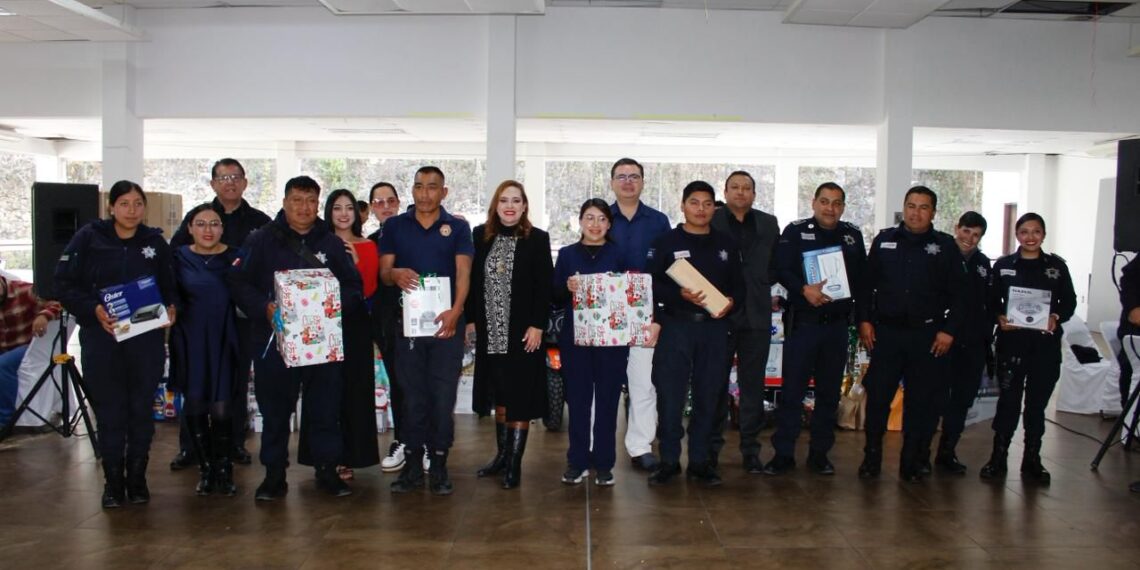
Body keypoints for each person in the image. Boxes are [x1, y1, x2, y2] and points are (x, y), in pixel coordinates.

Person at [227, 175, 364, 500]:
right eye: (297, 200)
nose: (304, 208)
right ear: (285, 202)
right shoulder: (260, 240)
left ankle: (327, 470)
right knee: (274, 412)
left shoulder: (331, 243)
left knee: (325, 409)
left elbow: (354, 287)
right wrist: (265, 307)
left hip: (322, 342)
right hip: (275, 342)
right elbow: (237, 281)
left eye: (311, 201)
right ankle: (274, 475)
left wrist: (329, 302)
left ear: (319, 205)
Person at [54, 180, 179, 508]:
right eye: (125, 203)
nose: (132, 210)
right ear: (111, 207)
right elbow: (64, 284)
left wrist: (171, 307)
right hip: (101, 338)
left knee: (140, 409)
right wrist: (93, 309)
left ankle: (137, 477)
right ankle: (113, 481)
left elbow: (170, 285)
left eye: (138, 203)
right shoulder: (89, 238)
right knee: (111, 411)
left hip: (145, 340)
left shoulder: (154, 242)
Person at [855, 186, 966, 482]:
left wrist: (948, 331)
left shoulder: (945, 246)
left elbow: (960, 296)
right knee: (878, 399)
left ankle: (912, 461)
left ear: (934, 212)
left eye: (923, 207)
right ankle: (871, 458)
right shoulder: (884, 240)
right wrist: (864, 321)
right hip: (887, 335)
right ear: (903, 208)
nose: (916, 212)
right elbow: (866, 286)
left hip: (928, 337)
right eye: (911, 206)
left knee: (922, 403)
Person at [170, 158, 271, 469]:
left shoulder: (259, 221)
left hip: (239, 320)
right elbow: (172, 264)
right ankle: (191, 448)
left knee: (235, 383)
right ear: (213, 183)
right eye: (223, 177)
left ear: (245, 182)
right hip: (195, 322)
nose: (230, 182)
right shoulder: (197, 216)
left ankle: (234, 445)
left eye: (235, 177)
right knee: (195, 386)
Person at [379, 166, 473, 496]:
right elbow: (383, 272)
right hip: (408, 326)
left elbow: (463, 273)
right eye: (418, 187)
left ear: (443, 192)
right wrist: (396, 274)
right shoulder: (394, 226)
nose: (424, 193)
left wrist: (457, 311)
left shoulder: (458, 227)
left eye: (432, 187)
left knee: (442, 396)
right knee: (411, 396)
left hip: (447, 324)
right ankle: (414, 467)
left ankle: (440, 463)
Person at [765, 182, 866, 476]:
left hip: (835, 328)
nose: (830, 208)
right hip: (803, 325)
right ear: (814, 202)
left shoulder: (852, 236)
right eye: (824, 201)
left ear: (843, 207)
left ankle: (820, 454)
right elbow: (781, 268)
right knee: (792, 393)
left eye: (836, 203)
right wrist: (802, 289)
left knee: (828, 394)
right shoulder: (796, 232)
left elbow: (861, 279)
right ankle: (783, 453)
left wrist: (861, 317)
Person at [646, 181, 741, 487]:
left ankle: (700, 462)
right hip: (676, 326)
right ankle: (669, 461)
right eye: (694, 203)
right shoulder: (665, 241)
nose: (701, 209)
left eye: (707, 203)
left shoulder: (726, 243)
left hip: (714, 329)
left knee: (708, 397)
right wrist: (678, 295)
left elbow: (740, 285)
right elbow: (652, 283)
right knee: (670, 397)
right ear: (683, 205)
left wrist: (731, 302)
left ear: (715, 207)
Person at [466, 180, 553, 489]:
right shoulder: (480, 237)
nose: (510, 205)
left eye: (516, 200)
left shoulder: (537, 239)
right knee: (499, 394)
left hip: (523, 334)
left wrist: (537, 325)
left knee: (519, 397)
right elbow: (473, 283)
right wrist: (470, 320)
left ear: (525, 205)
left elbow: (545, 288)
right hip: (491, 332)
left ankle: (514, 465)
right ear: (496, 205)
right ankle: (501, 457)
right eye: (504, 200)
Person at [980, 213, 1076, 484]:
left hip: (1045, 346)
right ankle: (998, 457)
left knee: (1036, 406)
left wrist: (1055, 317)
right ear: (1016, 234)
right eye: (1024, 231)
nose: (1030, 237)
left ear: (1043, 235)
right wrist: (1000, 317)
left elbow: (1068, 302)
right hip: (1012, 344)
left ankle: (1032, 459)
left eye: (1036, 232)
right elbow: (990, 301)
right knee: (1009, 402)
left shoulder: (1056, 266)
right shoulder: (1004, 265)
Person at [295, 189, 381, 479]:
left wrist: (353, 266)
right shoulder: (316, 244)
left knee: (353, 391)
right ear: (328, 212)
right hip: (321, 324)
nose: (343, 213)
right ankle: (322, 457)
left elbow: (369, 290)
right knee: (321, 392)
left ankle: (350, 455)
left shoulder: (369, 246)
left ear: (357, 214)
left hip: (356, 326)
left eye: (349, 208)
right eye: (337, 208)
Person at [552, 198, 631, 486]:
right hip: (576, 338)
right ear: (580, 221)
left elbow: (631, 295)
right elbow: (555, 295)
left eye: (601, 219)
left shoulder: (619, 254)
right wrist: (566, 287)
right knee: (579, 400)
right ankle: (577, 461)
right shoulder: (567, 254)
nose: (595, 224)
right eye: (589, 218)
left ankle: (605, 463)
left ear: (609, 224)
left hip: (612, 339)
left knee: (609, 401)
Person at [168, 203, 243, 496]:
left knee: (223, 405)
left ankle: (224, 469)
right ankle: (206, 468)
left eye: (214, 224)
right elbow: (166, 292)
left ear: (222, 228)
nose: (208, 230)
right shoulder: (177, 258)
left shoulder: (237, 256)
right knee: (196, 402)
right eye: (201, 224)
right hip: (190, 338)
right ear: (190, 228)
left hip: (226, 337)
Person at [708, 170, 780, 473]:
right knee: (713, 385)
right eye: (735, 187)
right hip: (719, 314)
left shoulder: (768, 223)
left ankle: (751, 450)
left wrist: (768, 286)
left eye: (747, 188)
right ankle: (709, 448)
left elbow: (778, 262)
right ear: (725, 192)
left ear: (754, 194)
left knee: (753, 386)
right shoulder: (710, 219)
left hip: (756, 315)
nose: (741, 192)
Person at [608, 158, 671, 472]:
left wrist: (659, 315)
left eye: (634, 176)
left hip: (645, 314)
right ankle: (598, 444)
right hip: (605, 315)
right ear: (612, 183)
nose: (628, 181)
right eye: (622, 176)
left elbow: (667, 271)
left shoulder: (658, 221)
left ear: (643, 182)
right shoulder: (601, 217)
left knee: (643, 383)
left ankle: (640, 446)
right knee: (602, 382)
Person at [926, 211, 993, 475]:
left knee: (962, 400)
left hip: (972, 344)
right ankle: (921, 453)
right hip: (941, 340)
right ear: (957, 228)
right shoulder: (939, 255)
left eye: (976, 235)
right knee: (934, 398)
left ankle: (947, 451)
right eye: (966, 231)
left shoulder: (983, 264)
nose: (969, 238)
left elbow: (988, 301)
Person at [366, 182, 411, 473]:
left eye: (390, 201)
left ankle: (426, 444)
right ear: (371, 207)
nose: (385, 206)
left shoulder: (412, 235)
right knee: (397, 384)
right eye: (378, 202)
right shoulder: (369, 241)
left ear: (398, 203)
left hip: (416, 322)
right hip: (383, 325)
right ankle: (402, 441)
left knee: (419, 384)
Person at [0, 275, 60, 428]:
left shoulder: (25, 290)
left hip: (29, 346)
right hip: (4, 348)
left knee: (2, 365)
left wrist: (44, 315)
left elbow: (59, 302)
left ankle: (5, 420)